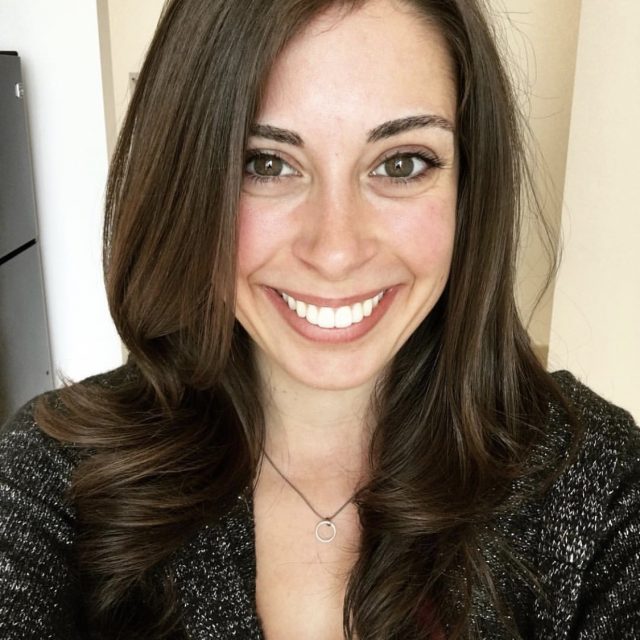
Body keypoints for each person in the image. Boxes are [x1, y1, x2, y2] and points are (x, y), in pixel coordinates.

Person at [1, 0, 639, 638]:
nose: (336, 251)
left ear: (469, 186)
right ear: (188, 184)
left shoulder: (595, 483)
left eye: (401, 163)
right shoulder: (52, 477)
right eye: (265, 163)